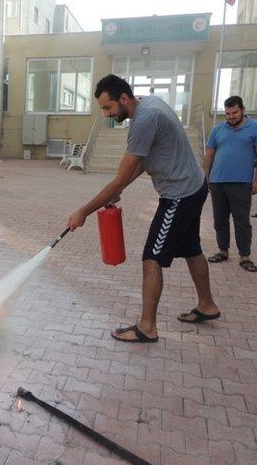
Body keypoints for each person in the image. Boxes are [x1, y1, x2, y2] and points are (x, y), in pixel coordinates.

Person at [67, 74, 220, 344]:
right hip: (194, 186)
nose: (107, 114)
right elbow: (139, 164)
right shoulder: (149, 105)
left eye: (108, 107)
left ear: (123, 98)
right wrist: (119, 189)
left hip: (179, 195)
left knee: (152, 258)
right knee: (191, 249)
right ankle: (207, 305)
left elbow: (121, 176)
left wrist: (83, 211)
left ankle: (147, 327)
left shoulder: (145, 120)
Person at [203, 96, 257, 273]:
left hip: (241, 182)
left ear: (243, 110)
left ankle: (245, 256)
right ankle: (223, 251)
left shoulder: (256, 128)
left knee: (242, 221)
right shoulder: (217, 130)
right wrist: (205, 177)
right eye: (228, 113)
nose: (231, 116)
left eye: (234, 112)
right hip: (217, 182)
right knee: (220, 220)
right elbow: (209, 154)